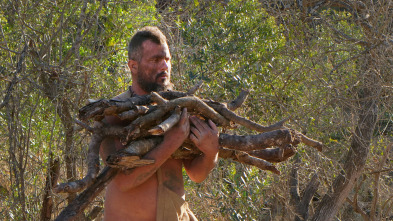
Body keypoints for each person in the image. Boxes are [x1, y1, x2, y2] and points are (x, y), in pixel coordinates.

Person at [99, 26, 219, 221]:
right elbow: (123, 180)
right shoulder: (114, 114)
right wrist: (171, 141)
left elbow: (197, 175)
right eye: (155, 60)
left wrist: (211, 152)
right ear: (133, 66)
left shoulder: (180, 110)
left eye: (167, 59)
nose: (164, 66)